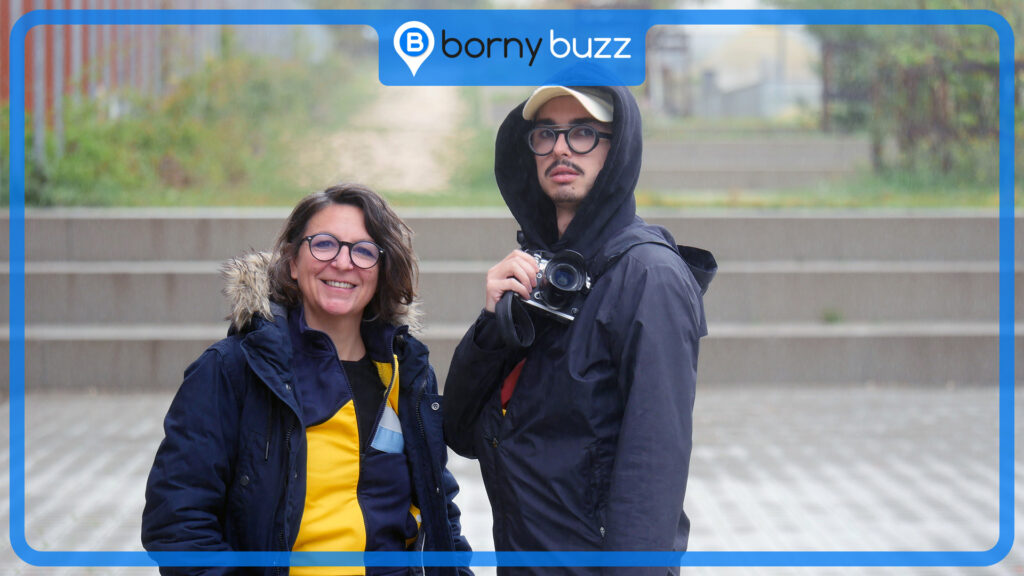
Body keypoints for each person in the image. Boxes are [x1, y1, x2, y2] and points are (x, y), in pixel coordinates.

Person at [443, 85, 716, 575]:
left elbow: (653, 467)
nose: (562, 148)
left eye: (584, 133)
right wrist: (492, 324)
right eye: (546, 134)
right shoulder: (543, 273)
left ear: (618, 149)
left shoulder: (649, 277)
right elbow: (460, 430)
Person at [143, 184, 473, 576]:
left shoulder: (408, 373)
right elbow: (178, 522)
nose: (343, 262)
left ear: (382, 272)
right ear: (292, 262)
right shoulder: (232, 370)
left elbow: (440, 511)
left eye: (364, 251)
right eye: (324, 245)